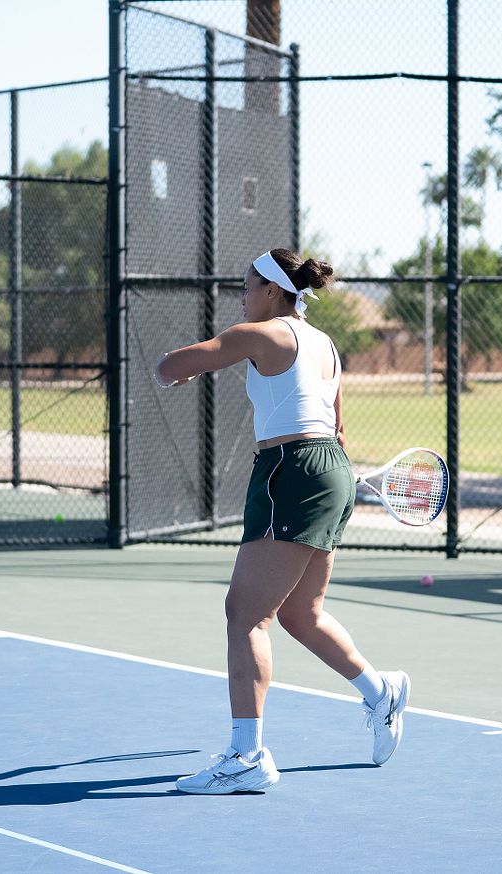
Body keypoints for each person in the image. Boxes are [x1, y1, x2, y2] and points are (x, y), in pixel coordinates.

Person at [155, 248, 410, 795]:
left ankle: (246, 756)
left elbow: (169, 365)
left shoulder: (261, 334)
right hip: (331, 469)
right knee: (301, 613)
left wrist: (178, 369)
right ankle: (381, 692)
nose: (242, 297)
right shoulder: (327, 345)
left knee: (246, 614)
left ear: (271, 290)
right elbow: (338, 429)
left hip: (288, 471)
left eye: (247, 287)